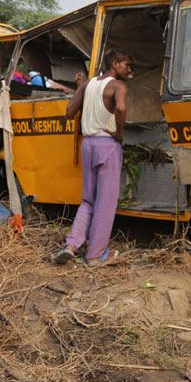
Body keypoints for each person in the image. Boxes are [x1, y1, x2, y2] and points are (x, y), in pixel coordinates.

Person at [51, 48, 131, 266]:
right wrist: (119, 133)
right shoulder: (117, 86)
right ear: (115, 65)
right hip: (107, 145)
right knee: (105, 203)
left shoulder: (88, 84)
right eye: (126, 65)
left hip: (88, 145)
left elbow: (69, 111)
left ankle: (70, 245)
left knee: (88, 200)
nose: (129, 70)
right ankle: (95, 255)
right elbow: (121, 108)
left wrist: (81, 90)